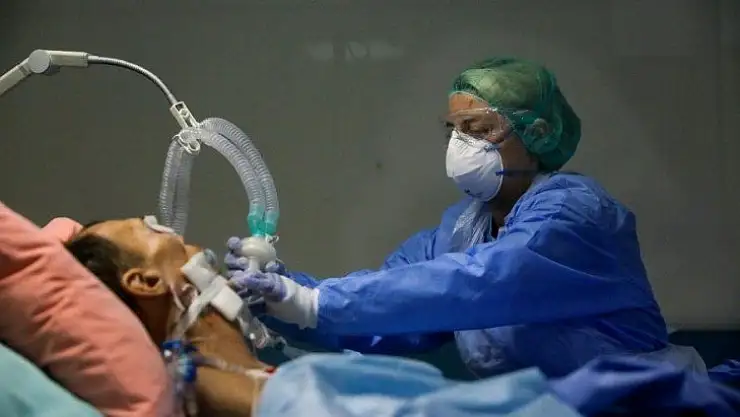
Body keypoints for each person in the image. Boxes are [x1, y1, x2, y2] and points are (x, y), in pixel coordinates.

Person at [225, 57, 707, 378]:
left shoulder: (575, 213)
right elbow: (391, 306)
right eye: (453, 131)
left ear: (537, 134)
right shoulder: (459, 230)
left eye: (477, 129)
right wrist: (281, 293)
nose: (460, 145)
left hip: (647, 402)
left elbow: (484, 280)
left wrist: (313, 302)